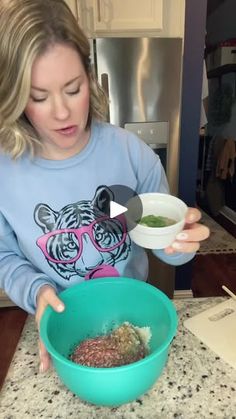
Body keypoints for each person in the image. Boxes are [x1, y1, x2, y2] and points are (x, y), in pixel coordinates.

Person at [0, 0, 209, 373]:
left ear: (89, 74)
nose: (62, 112)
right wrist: (36, 290)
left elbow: (161, 242)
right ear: (15, 97)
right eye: (39, 97)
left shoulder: (132, 155)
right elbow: (5, 257)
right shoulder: (5, 171)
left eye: (73, 88)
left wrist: (180, 240)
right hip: (59, 329)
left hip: (133, 319)